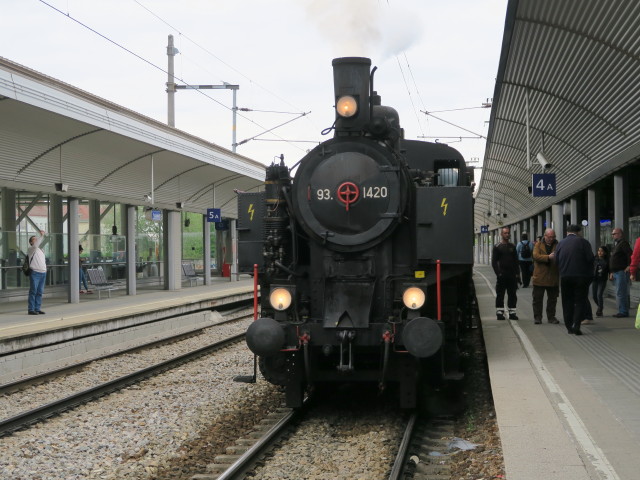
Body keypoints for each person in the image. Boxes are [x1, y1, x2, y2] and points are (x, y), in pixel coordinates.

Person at [555, 224, 595, 335]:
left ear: (567, 232)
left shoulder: (560, 244)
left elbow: (556, 261)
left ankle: (569, 327)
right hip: (581, 277)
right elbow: (590, 258)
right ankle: (576, 325)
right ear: (578, 232)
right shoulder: (583, 242)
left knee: (567, 301)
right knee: (580, 301)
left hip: (565, 277)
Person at [491, 226, 521, 320]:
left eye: (508, 233)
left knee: (512, 294)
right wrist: (498, 273)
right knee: (500, 293)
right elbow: (494, 262)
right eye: (505, 233)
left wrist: (517, 274)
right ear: (501, 234)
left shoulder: (512, 246)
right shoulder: (497, 247)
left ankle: (512, 312)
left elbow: (516, 261)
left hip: (511, 275)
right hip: (502, 275)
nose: (507, 234)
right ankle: (499, 312)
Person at [532, 228, 560, 325]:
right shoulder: (538, 244)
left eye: (553, 237)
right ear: (545, 236)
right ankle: (537, 317)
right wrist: (548, 257)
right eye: (549, 237)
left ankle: (551, 317)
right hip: (539, 277)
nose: (551, 239)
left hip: (553, 277)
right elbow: (535, 256)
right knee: (537, 299)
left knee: (552, 299)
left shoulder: (558, 245)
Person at [608, 228, 632, 317]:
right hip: (616, 272)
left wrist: (629, 266)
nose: (612, 235)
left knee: (621, 292)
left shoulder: (623, 243)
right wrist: (611, 272)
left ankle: (623, 311)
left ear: (620, 234)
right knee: (619, 292)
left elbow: (630, 254)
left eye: (614, 234)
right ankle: (622, 310)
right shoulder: (617, 244)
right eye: (612, 234)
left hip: (621, 271)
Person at [27, 231, 47, 315]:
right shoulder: (31, 249)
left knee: (40, 291)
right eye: (34, 239)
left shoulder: (41, 250)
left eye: (36, 239)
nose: (36, 240)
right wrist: (41, 235)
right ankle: (31, 309)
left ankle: (37, 308)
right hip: (35, 272)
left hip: (43, 272)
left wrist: (45, 269)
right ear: (31, 242)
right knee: (33, 291)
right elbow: (36, 245)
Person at [591, 246, 610, 317]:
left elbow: (610, 269)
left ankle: (599, 310)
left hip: (602, 280)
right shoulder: (595, 259)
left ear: (605, 253)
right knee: (594, 296)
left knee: (599, 294)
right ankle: (600, 306)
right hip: (595, 279)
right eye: (599, 251)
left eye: (601, 251)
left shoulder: (607, 260)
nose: (599, 252)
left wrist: (611, 274)